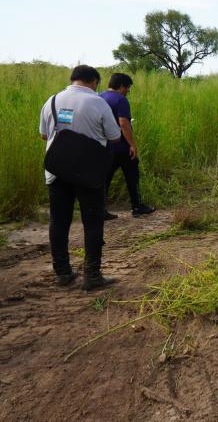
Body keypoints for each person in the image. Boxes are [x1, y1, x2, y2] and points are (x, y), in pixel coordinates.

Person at [39, 65, 121, 290]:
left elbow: (44, 134)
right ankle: (92, 276)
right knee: (92, 222)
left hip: (57, 171)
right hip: (89, 173)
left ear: (73, 79)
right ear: (93, 81)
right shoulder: (98, 103)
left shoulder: (52, 100)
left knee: (59, 221)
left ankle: (63, 272)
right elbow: (114, 137)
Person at [100, 73, 156, 219]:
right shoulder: (121, 100)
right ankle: (137, 207)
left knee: (105, 178)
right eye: (128, 87)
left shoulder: (99, 97)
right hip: (122, 147)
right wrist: (132, 145)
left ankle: (100, 209)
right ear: (122, 86)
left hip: (105, 147)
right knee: (132, 177)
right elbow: (124, 123)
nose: (128, 91)